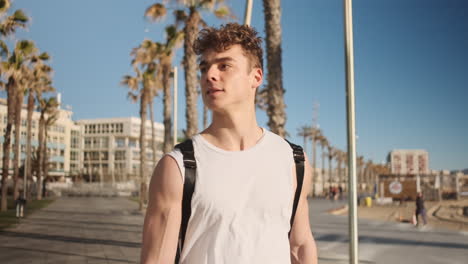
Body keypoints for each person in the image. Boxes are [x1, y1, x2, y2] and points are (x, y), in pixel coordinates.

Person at [140, 23, 317, 264]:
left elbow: (300, 245)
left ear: (256, 77)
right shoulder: (179, 167)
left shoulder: (294, 160)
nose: (209, 75)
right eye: (204, 68)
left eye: (224, 66)